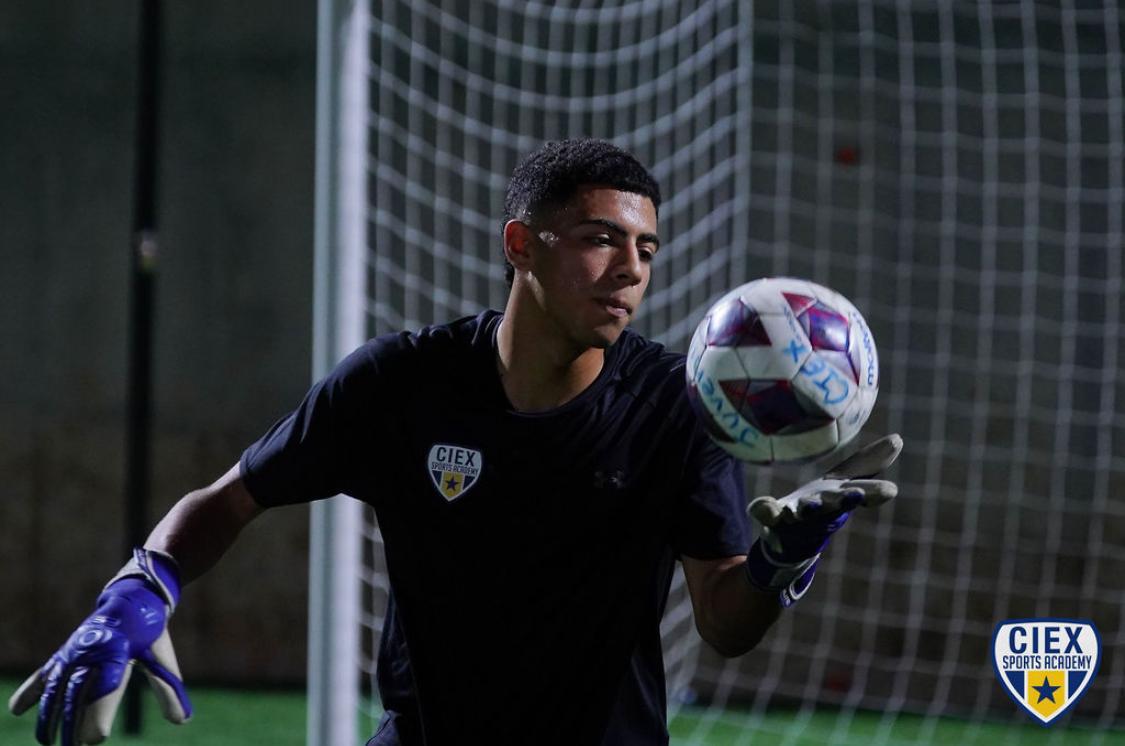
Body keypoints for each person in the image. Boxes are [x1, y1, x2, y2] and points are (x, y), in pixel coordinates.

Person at [9, 139, 901, 746]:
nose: (630, 267)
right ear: (522, 244)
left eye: (646, 247)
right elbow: (232, 495)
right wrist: (145, 582)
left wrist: (778, 565)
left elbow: (723, 622)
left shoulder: (676, 405)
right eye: (599, 240)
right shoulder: (402, 383)